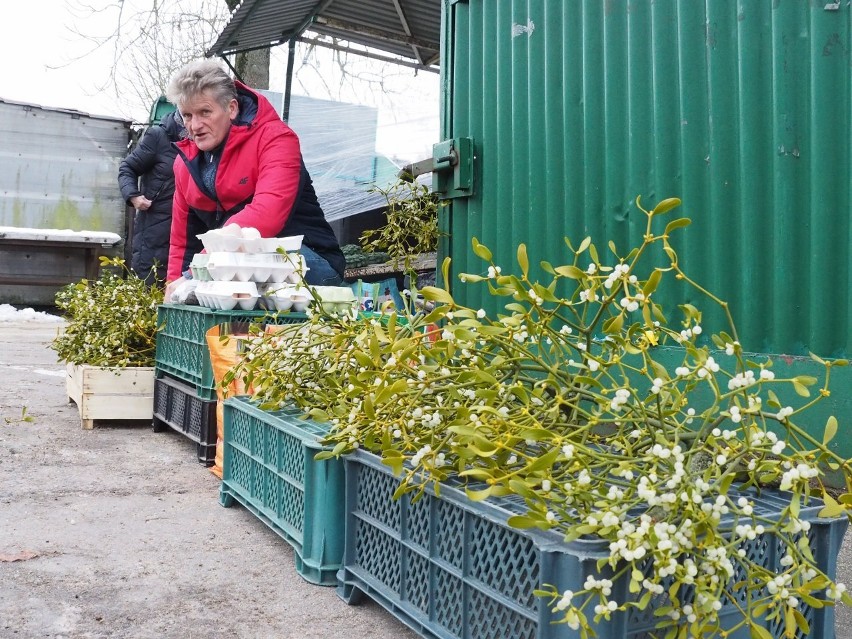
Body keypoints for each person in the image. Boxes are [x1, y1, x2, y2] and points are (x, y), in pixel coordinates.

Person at [164, 58, 345, 295]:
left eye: (205, 112)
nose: (195, 125)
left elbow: (267, 213)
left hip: (309, 259)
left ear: (231, 108)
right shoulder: (184, 166)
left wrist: (195, 273)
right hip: (234, 263)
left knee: (238, 268)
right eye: (187, 115)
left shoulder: (276, 139)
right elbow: (182, 242)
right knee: (208, 288)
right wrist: (174, 288)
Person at [117, 100, 186, 285]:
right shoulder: (158, 136)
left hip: (189, 234)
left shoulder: (206, 140)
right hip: (155, 232)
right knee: (152, 289)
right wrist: (133, 196)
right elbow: (127, 168)